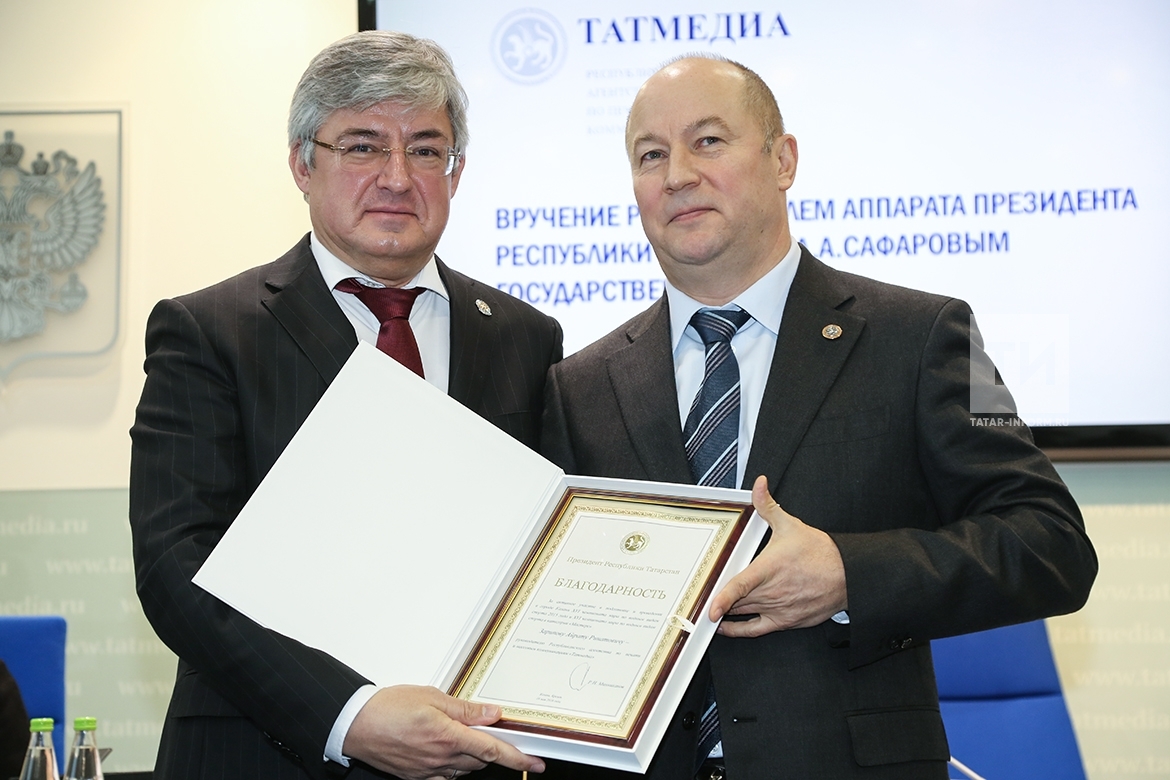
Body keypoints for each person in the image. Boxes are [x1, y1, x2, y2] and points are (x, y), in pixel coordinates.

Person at [540, 55, 1096, 779]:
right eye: (650, 155)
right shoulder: (579, 385)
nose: (676, 174)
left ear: (783, 160)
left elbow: (1052, 542)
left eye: (708, 141)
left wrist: (849, 573)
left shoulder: (930, 334)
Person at [129, 31, 557, 780]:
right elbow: (176, 563)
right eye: (362, 147)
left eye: (426, 150)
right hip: (263, 754)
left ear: (456, 171)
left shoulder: (527, 336)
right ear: (303, 164)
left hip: (473, 751)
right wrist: (349, 714)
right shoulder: (209, 331)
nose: (397, 177)